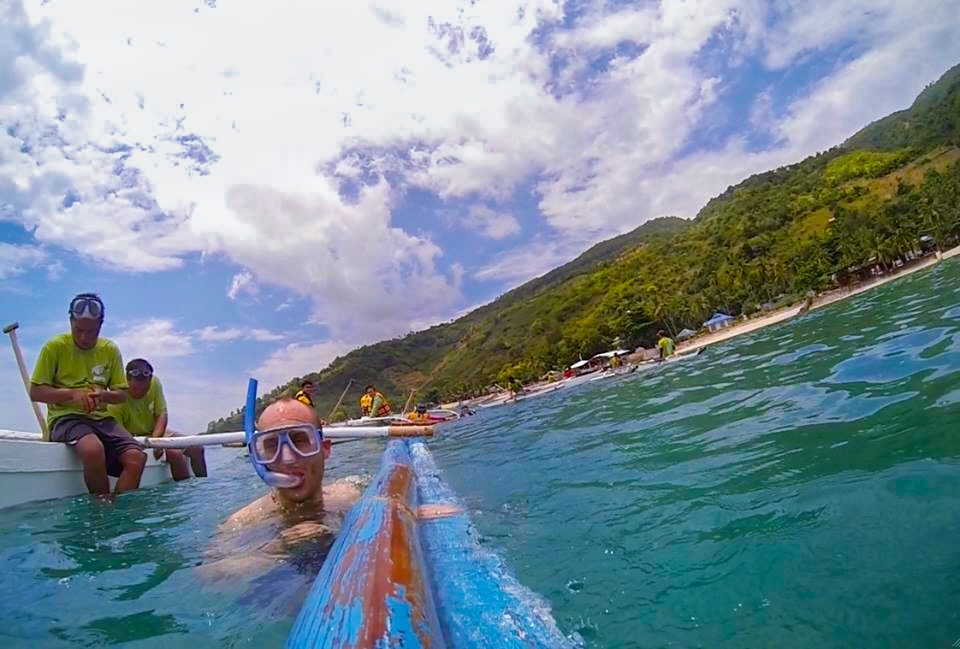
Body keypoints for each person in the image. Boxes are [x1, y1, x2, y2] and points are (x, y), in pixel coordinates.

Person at [201, 399, 363, 580]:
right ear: (258, 458)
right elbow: (208, 576)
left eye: (299, 440)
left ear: (324, 449)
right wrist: (279, 548)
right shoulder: (242, 523)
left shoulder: (348, 495)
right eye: (271, 445)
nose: (287, 459)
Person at [29, 293, 146, 495]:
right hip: (65, 418)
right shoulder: (54, 347)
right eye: (79, 330)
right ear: (70, 322)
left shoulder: (110, 350)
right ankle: (101, 509)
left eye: (91, 332)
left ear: (101, 326)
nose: (84, 337)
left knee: (137, 458)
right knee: (93, 450)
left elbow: (122, 395)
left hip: (103, 419)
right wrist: (72, 395)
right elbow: (36, 392)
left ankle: (118, 513)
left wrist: (103, 395)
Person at [108, 358, 207, 481]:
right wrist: (148, 444)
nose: (140, 393)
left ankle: (204, 485)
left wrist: (156, 441)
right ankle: (184, 491)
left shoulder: (155, 382)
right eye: (135, 389)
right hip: (131, 437)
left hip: (155, 431)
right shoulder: (116, 397)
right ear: (127, 382)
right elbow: (119, 433)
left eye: (145, 389)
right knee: (174, 454)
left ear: (150, 380)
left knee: (197, 448)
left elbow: (161, 414)